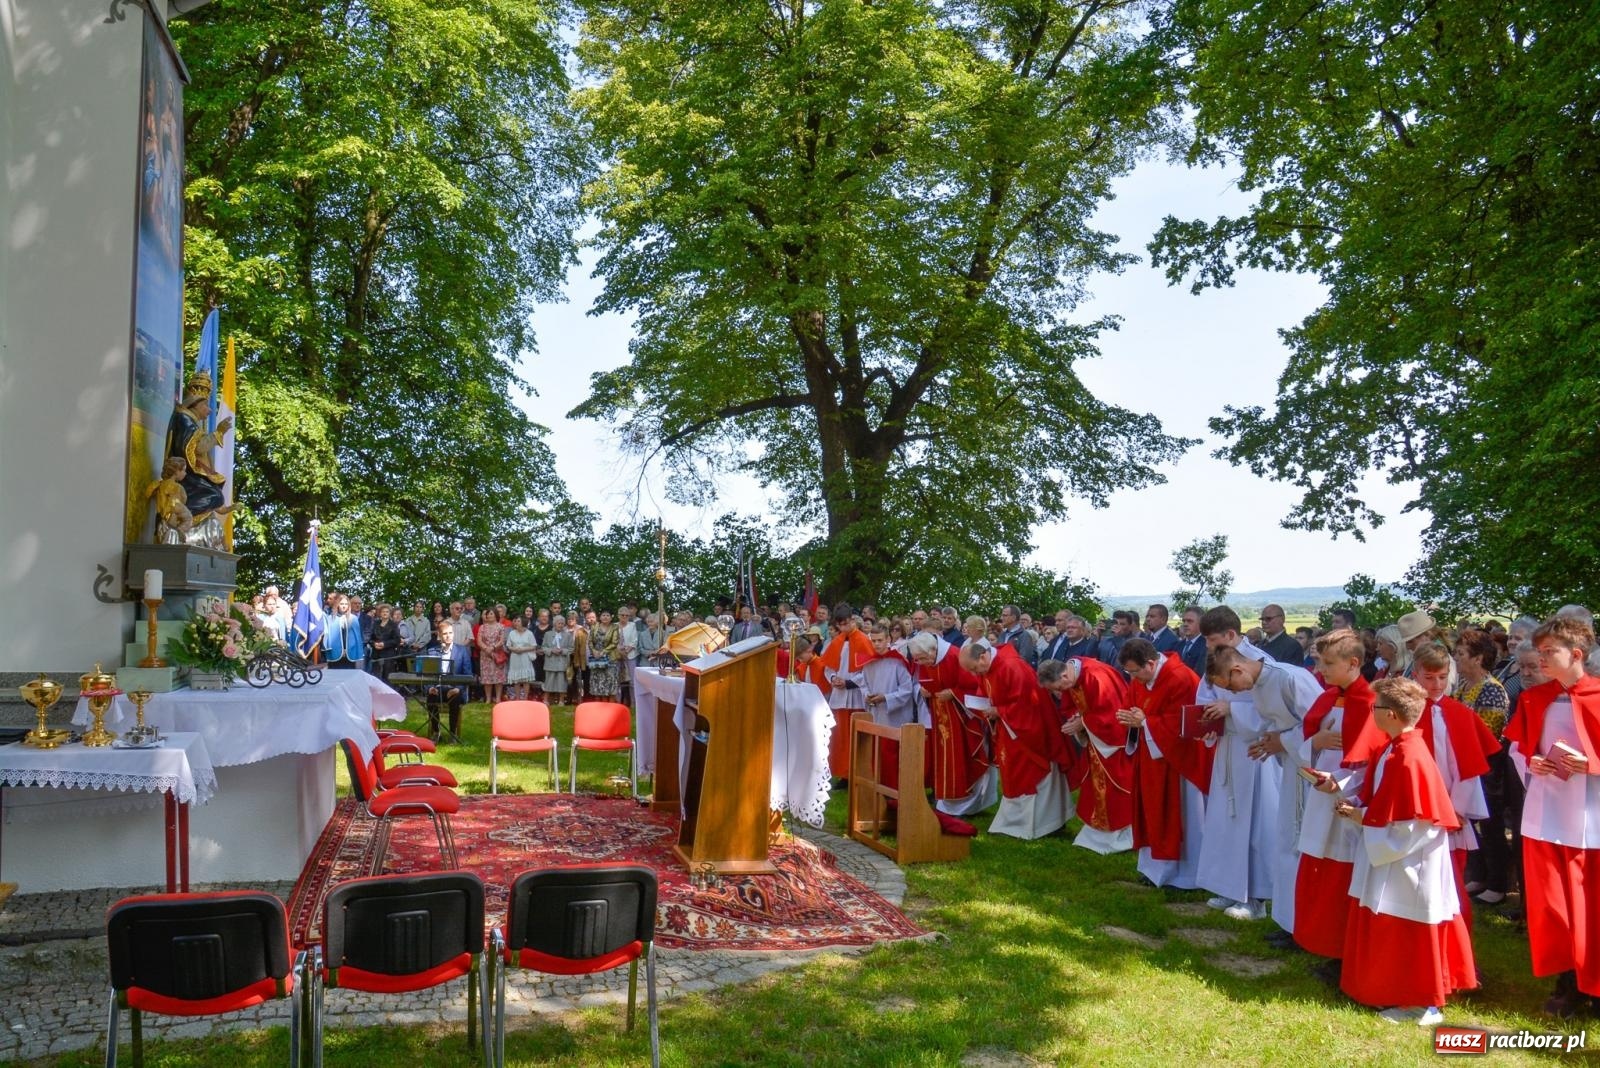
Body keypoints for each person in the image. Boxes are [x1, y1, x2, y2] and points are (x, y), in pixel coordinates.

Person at [1335, 676, 1475, 1026]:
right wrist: (1360, 806)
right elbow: (1387, 798)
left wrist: (1360, 816)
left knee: (1413, 922)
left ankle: (1422, 1000)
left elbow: (1413, 822)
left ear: (1392, 715)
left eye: (1376, 707)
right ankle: (1393, 990)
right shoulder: (1396, 748)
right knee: (1396, 919)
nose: (1372, 712)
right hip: (1397, 851)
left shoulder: (1408, 757)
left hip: (1412, 858)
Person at [1501, 615, 1600, 1018]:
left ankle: (1592, 985)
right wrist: (1534, 762)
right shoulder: (1533, 698)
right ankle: (1568, 981)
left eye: (1548, 652)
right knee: (1555, 905)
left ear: (1576, 654)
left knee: (1590, 904)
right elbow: (1518, 748)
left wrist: (1591, 764)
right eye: (1538, 652)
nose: (1540, 659)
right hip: (1547, 814)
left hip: (1591, 818)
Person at [1206, 642, 1325, 938]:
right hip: (1292, 768)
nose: (1234, 694)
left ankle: (1303, 924)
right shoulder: (1257, 684)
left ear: (1237, 669)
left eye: (1230, 686)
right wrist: (1271, 742)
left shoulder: (1289, 678)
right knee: (1286, 842)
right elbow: (1274, 723)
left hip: (1313, 772)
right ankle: (1288, 921)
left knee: (1301, 843)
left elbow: (1322, 724)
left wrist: (1281, 742)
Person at [1293, 630, 1386, 968]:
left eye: (1328, 663)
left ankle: (1340, 949)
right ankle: (1316, 939)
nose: (1322, 670)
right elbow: (1310, 740)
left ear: (1354, 663)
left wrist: (1343, 786)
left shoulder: (1370, 702)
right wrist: (1315, 744)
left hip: (1346, 799)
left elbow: (1371, 758)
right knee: (1317, 866)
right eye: (1319, 662)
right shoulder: (1327, 697)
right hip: (1321, 794)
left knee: (1342, 874)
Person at [1192, 607, 1281, 923]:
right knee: (1225, 819)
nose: (1208, 647)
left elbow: (1271, 712)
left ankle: (1256, 897)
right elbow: (1204, 695)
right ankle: (1228, 886)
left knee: (1255, 822)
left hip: (1257, 752)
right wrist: (1206, 717)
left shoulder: (1261, 663)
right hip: (1228, 746)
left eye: (1212, 640)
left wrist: (1231, 709)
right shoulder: (1217, 661)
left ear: (1231, 635)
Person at [1410, 643, 1499, 927]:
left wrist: (1458, 809)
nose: (1436, 684)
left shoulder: (1460, 714)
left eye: (1442, 677)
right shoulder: (1405, 715)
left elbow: (1468, 768)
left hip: (1451, 810)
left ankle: (1457, 949)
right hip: (1414, 809)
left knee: (1452, 880)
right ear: (1415, 674)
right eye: (1429, 677)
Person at [1116, 638, 1210, 887]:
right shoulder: (1141, 678)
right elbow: (1132, 706)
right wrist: (1129, 718)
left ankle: (1185, 877)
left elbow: (1182, 724)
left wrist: (1145, 722)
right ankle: (1153, 868)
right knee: (1151, 811)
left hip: (1179, 762)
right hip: (1151, 756)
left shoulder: (1180, 678)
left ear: (1150, 662)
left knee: (1179, 817)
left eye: (1135, 671)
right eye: (1129, 672)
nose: (1133, 678)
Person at [959, 640, 1071, 839]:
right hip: (1009, 729)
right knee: (1012, 771)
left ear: (983, 656)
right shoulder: (989, 668)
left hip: (1029, 732)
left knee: (1029, 771)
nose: (976, 674)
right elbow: (987, 692)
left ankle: (1044, 823)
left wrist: (998, 711)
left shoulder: (1012, 667)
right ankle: (1016, 822)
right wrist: (988, 708)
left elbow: (1028, 704)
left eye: (975, 668)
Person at [1039, 656, 1135, 854]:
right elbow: (1073, 705)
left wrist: (1081, 723)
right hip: (1096, 741)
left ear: (1064, 674)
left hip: (1113, 742)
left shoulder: (1096, 677)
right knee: (1095, 786)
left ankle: (1123, 835)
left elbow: (1110, 714)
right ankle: (1098, 831)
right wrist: (1077, 720)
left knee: (1117, 787)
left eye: (1059, 688)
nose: (1060, 693)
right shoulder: (1072, 675)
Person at [1453, 629, 1514, 905]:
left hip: (1486, 768)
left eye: (1461, 654)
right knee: (1471, 824)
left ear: (1478, 659)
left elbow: (1488, 734)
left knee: (1490, 826)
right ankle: (1479, 875)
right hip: (1465, 764)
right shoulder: (1464, 686)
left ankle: (1498, 884)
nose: (1455, 658)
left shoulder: (1490, 689)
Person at [907, 631, 996, 817]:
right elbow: (926, 679)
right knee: (944, 757)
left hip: (963, 720)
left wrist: (953, 693)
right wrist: (924, 690)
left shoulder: (955, 655)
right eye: (918, 660)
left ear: (933, 650)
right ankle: (946, 801)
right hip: (940, 716)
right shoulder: (926, 658)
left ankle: (966, 804)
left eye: (923, 659)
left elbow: (975, 684)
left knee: (963, 756)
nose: (922, 663)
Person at [819, 603, 876, 779]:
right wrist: (833, 678)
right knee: (840, 737)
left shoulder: (863, 640)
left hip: (856, 694)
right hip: (839, 694)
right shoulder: (836, 641)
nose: (844, 627)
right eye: (841, 625)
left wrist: (849, 682)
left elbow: (868, 670)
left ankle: (858, 772)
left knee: (856, 735)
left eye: (846, 623)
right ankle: (842, 772)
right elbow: (828, 667)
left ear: (852, 620)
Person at [322, 593, 364, 670]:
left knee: (349, 675)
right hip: (335, 652)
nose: (344, 606)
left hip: (350, 652)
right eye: (341, 604)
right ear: (337, 604)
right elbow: (328, 637)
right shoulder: (331, 618)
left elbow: (357, 637)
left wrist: (354, 650)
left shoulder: (353, 618)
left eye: (346, 604)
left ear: (348, 605)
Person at [476, 607, 507, 706]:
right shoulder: (482, 627)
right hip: (485, 655)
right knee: (487, 677)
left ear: (496, 615)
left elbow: (502, 640)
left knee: (498, 677)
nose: (489, 615)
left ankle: (498, 698)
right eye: (488, 614)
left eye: (491, 614)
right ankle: (488, 698)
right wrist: (486, 648)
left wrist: (493, 648)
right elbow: (479, 640)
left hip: (497, 654)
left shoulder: (501, 627)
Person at [504, 614, 539, 701]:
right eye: (516, 621)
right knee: (516, 679)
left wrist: (523, 649)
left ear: (523, 622)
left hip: (525, 657)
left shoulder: (529, 633)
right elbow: (508, 645)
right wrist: (515, 649)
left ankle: (525, 698)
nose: (516, 623)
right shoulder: (512, 633)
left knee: (526, 679)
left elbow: (534, 646)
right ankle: (518, 698)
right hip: (515, 657)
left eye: (518, 621)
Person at [541, 615, 575, 704]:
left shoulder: (568, 635)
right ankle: (546, 700)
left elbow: (571, 649)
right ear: (554, 624)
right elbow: (543, 647)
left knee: (562, 683)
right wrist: (552, 650)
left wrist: (562, 651)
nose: (560, 625)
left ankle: (561, 701)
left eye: (562, 624)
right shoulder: (547, 634)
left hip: (562, 662)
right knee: (549, 682)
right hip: (550, 662)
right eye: (559, 623)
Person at [588, 610, 621, 700]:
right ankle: (599, 704)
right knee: (597, 681)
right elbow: (590, 641)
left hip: (610, 658)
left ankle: (611, 704)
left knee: (610, 681)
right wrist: (594, 651)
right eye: (603, 615)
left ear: (611, 618)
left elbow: (614, 643)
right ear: (600, 617)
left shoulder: (615, 627)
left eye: (608, 615)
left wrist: (603, 652)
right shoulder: (594, 626)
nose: (605, 617)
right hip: (596, 658)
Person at [367, 604, 402, 680]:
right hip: (376, 655)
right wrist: (374, 644)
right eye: (383, 611)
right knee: (375, 678)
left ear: (390, 614)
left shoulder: (393, 625)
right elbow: (369, 638)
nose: (385, 613)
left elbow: (397, 640)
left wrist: (384, 644)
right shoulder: (375, 623)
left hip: (388, 656)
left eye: (387, 611)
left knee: (387, 678)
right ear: (380, 613)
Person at [1177, 606, 1208, 679]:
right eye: (1184, 621)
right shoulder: (1178, 645)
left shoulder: (1206, 646)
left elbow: (1199, 674)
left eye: (1190, 621)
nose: (1185, 624)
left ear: (1201, 623)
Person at [446, 602, 474, 677]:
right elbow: (441, 638)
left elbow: (470, 638)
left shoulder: (466, 623)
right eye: (457, 608)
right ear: (451, 610)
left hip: (464, 655)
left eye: (461, 608)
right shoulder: (445, 623)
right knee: (448, 676)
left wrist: (459, 648)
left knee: (464, 677)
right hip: (449, 654)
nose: (459, 610)